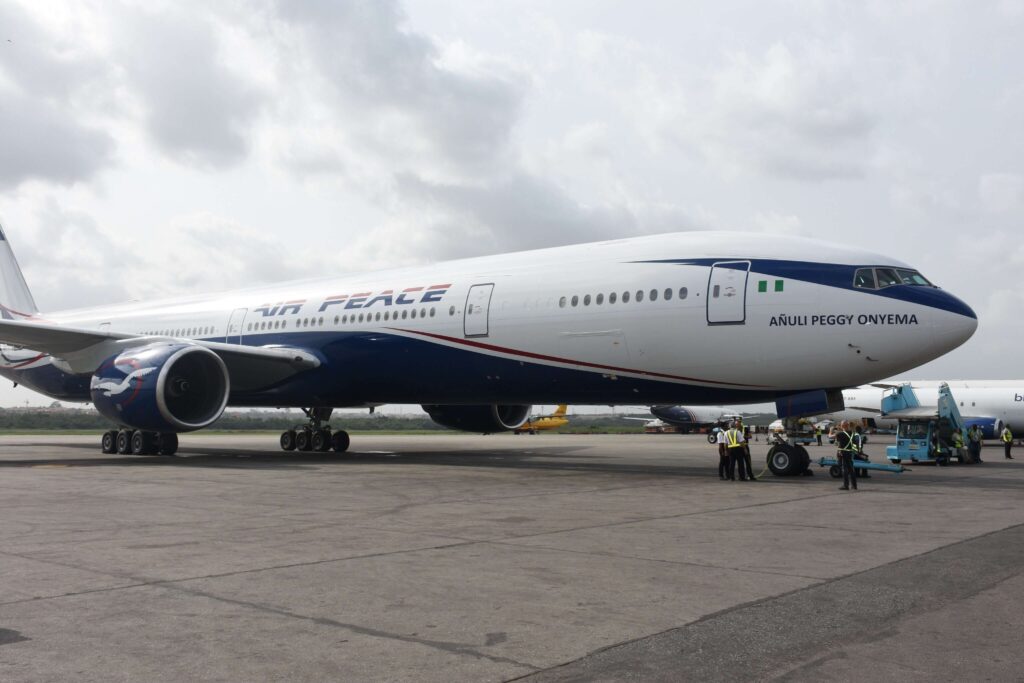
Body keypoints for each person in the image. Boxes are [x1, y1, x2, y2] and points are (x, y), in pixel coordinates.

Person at [834, 420, 858, 491]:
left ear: (842, 426)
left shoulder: (840, 434)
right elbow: (854, 444)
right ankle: (854, 485)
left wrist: (830, 430)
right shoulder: (853, 434)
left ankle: (846, 485)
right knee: (851, 469)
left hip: (843, 453)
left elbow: (835, 442)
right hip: (850, 453)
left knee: (845, 469)